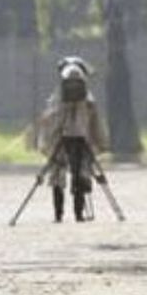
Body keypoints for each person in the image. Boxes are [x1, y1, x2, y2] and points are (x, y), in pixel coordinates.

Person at [30, 56, 110, 223]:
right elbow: (94, 124)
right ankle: (77, 214)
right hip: (78, 139)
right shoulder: (86, 99)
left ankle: (59, 215)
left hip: (66, 139)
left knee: (61, 174)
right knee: (75, 173)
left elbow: (52, 121)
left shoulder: (62, 97)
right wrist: (99, 142)